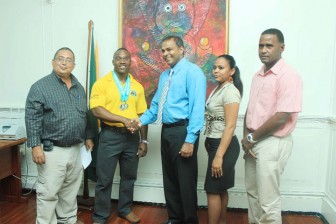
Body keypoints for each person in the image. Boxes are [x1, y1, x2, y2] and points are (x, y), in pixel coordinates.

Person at [134, 35, 206, 224]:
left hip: (184, 131)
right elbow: (155, 107)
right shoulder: (165, 76)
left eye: (170, 49)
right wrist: (139, 121)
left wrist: (190, 140)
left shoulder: (193, 72)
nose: (165, 54)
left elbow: (197, 109)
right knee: (171, 179)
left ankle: (190, 221)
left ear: (182, 49)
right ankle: (174, 218)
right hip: (167, 131)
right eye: (163, 50)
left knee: (186, 182)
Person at [25, 47, 94, 224]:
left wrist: (88, 136)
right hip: (51, 150)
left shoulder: (79, 87)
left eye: (68, 59)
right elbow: (32, 118)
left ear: (74, 64)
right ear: (53, 62)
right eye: (60, 59)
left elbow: (83, 114)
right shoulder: (40, 86)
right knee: (48, 193)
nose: (64, 62)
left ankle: (68, 220)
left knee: (70, 192)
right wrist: (35, 146)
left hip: (76, 149)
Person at [241, 28, 303, 224]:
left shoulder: (289, 76)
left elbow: (282, 117)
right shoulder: (257, 75)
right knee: (252, 193)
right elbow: (251, 108)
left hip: (272, 142)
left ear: (281, 48)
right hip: (252, 141)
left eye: (269, 45)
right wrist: (246, 137)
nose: (263, 50)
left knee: (268, 201)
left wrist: (252, 138)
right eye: (261, 45)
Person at [90, 48, 148, 224]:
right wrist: (122, 119)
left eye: (126, 59)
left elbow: (142, 115)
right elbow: (96, 110)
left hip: (131, 139)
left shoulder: (137, 87)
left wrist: (143, 140)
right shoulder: (101, 83)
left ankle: (124, 209)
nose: (122, 61)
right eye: (119, 58)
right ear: (113, 61)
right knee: (104, 179)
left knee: (129, 176)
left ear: (130, 62)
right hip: (109, 136)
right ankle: (100, 216)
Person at [204, 54, 243, 224]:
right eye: (215, 67)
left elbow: (230, 126)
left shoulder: (231, 91)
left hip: (223, 146)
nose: (216, 70)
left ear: (232, 71)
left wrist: (219, 156)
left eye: (221, 68)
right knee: (220, 188)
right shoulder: (219, 88)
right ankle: (222, 221)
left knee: (212, 190)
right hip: (214, 142)